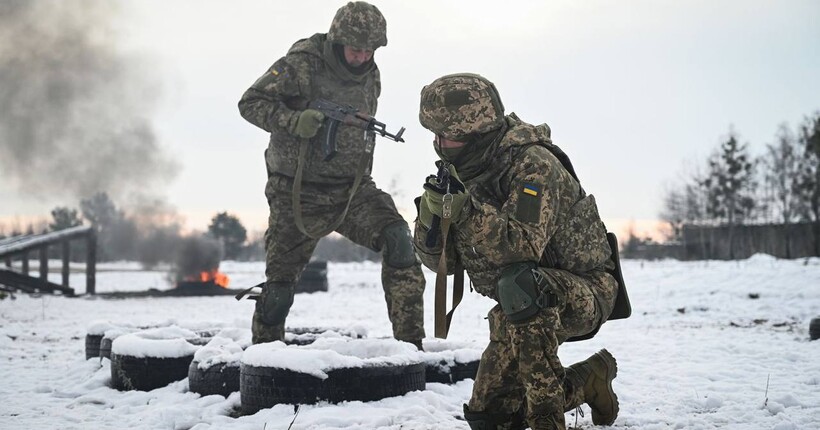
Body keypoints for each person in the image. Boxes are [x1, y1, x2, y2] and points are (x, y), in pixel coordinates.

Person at [413, 73, 622, 430]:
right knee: (491, 418)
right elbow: (442, 267)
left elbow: (522, 247)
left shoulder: (533, 165)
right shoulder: (466, 169)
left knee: (522, 284)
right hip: (519, 305)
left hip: (586, 290)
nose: (439, 144)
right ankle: (591, 379)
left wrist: (467, 213)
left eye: (447, 136)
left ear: (476, 134)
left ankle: (548, 421)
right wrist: (432, 223)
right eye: (435, 135)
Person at [237, 2, 425, 349]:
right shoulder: (301, 65)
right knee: (278, 287)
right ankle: (264, 360)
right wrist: (294, 121)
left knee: (398, 239)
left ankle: (411, 349)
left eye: (370, 50)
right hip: (297, 193)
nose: (363, 56)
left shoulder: (371, 72)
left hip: (353, 191)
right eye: (356, 49)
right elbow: (250, 102)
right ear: (339, 41)